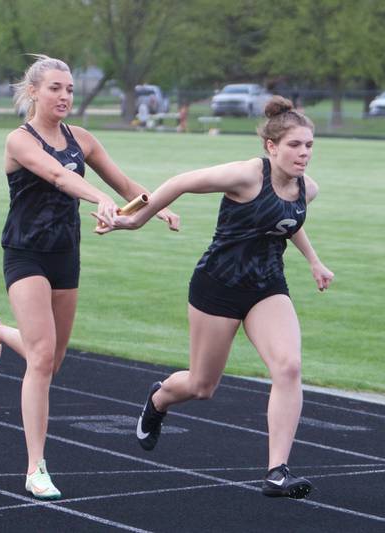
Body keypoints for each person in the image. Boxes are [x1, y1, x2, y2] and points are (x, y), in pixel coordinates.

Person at [95, 96, 334, 500]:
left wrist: (314, 260)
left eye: (309, 145)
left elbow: (286, 223)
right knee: (203, 386)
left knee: (289, 367)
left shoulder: (306, 189)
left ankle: (276, 472)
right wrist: (136, 219)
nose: (304, 153)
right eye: (295, 145)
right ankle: (158, 399)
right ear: (271, 147)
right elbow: (181, 182)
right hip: (217, 286)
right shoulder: (244, 176)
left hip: (267, 287)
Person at [0, 54, 179, 501]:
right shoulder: (19, 140)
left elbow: (126, 183)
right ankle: (35, 468)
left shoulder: (82, 138)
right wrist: (100, 200)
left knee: (48, 360)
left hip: (65, 256)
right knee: (42, 358)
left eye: (69, 88)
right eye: (55, 88)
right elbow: (56, 175)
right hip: (25, 254)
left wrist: (156, 205)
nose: (65, 95)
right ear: (33, 92)